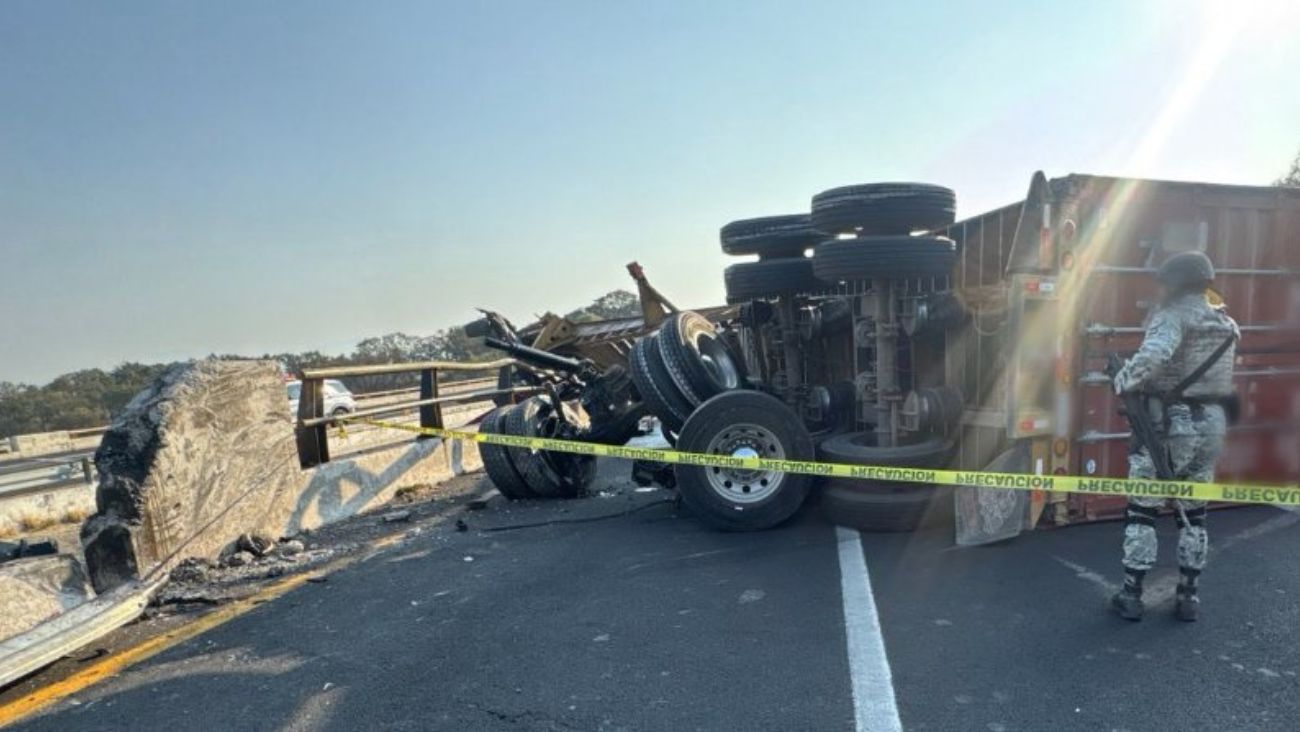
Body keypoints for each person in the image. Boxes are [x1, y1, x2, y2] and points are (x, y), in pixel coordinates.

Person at [1110, 251, 1239, 622]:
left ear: (1176, 283)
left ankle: (1132, 595)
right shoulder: (1228, 323)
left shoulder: (1173, 316)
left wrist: (1123, 381)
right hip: (1212, 423)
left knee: (1142, 511)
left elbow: (1152, 359)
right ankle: (1189, 597)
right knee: (1194, 515)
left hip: (1169, 425)